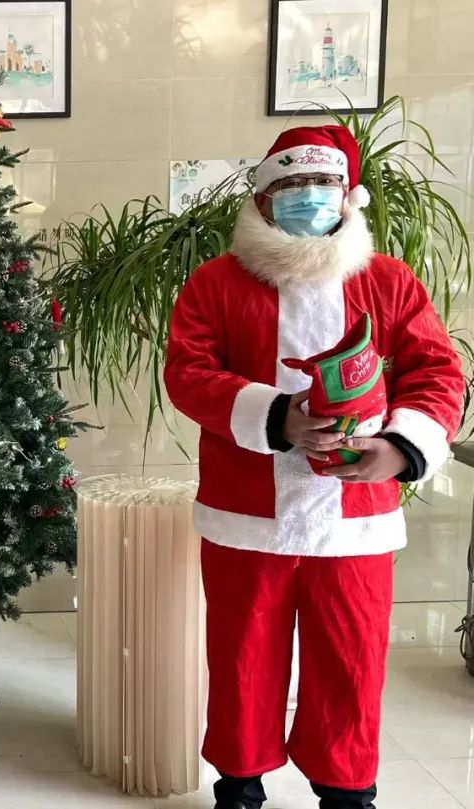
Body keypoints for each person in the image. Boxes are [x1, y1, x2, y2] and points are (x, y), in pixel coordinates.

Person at [164, 125, 465, 809]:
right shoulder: (215, 283)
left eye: (323, 183)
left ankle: (347, 793)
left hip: (356, 519)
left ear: (348, 194)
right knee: (242, 658)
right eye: (292, 183)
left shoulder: (388, 281)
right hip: (247, 512)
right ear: (262, 199)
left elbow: (437, 372)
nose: (308, 195)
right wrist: (278, 417)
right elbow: (187, 372)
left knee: (351, 661)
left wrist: (402, 448)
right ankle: (239, 787)